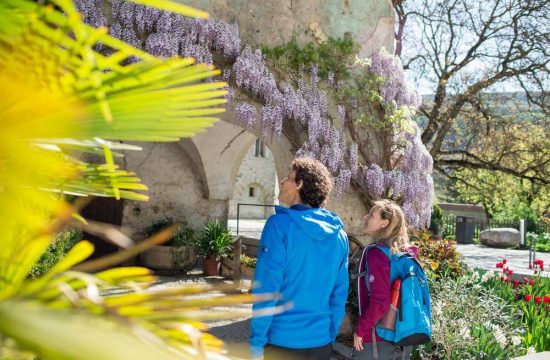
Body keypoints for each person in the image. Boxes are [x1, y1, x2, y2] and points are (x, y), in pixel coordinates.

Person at [250, 157, 349, 360]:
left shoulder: (278, 225)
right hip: (320, 343)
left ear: (299, 184)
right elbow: (339, 294)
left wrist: (256, 344)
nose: (283, 182)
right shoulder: (340, 235)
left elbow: (267, 288)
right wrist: (329, 335)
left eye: (288, 177)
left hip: (282, 342)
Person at [352, 200, 414, 360]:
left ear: (384, 223)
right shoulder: (401, 252)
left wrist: (361, 330)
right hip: (399, 336)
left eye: (372, 215)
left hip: (375, 337)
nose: (366, 217)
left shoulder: (377, 254)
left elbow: (380, 302)